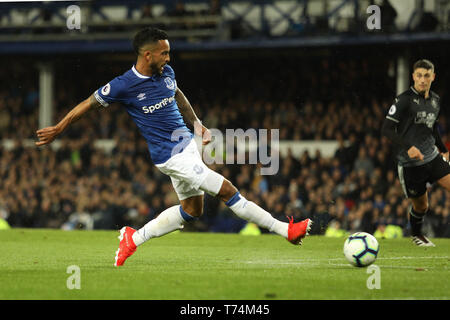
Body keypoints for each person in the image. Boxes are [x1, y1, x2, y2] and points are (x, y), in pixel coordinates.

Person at [35, 27, 312, 266]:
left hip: (186, 146)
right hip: (170, 157)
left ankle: (133, 237)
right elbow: (88, 103)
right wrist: (59, 127)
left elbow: (176, 93)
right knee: (227, 190)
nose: (168, 58)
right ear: (147, 55)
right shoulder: (124, 85)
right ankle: (285, 230)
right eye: (164, 53)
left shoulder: (166, 72)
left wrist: (197, 124)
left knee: (192, 211)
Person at [381, 59, 450, 247]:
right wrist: (408, 147)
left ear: (433, 77)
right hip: (411, 164)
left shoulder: (435, 100)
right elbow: (386, 129)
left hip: (432, 157)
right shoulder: (403, 100)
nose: (422, 79)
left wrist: (443, 149)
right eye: (419, 75)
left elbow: (432, 127)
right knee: (422, 206)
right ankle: (417, 235)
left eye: (426, 75)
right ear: (413, 77)